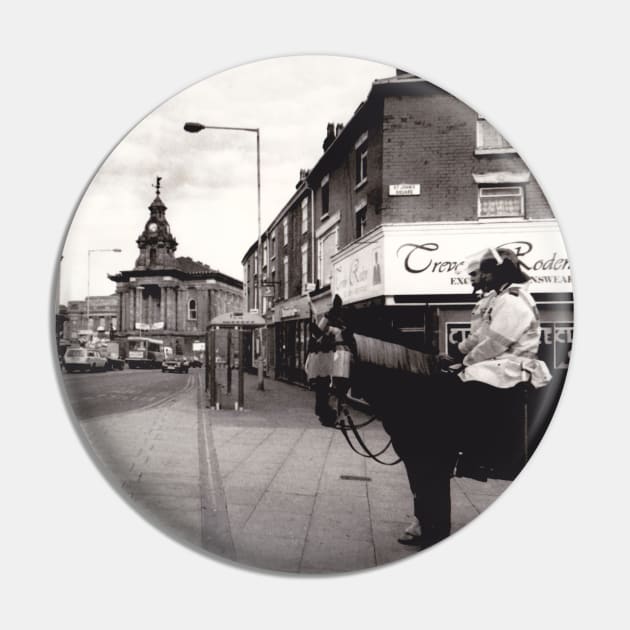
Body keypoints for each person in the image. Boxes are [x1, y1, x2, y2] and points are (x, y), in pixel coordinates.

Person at [451, 248, 552, 481]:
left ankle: (481, 457)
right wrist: (458, 353)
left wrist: (464, 362)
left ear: (500, 273)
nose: (482, 277)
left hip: (514, 364)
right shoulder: (501, 297)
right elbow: (482, 336)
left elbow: (495, 343)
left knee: (471, 379)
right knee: (465, 374)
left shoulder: (512, 300)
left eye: (486, 273)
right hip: (503, 361)